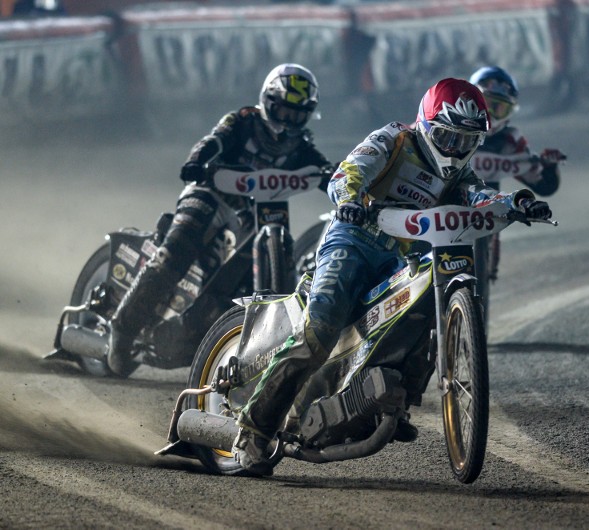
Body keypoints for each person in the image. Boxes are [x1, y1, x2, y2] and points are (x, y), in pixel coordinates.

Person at [232, 77, 552, 476]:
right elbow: (347, 173)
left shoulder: (459, 174)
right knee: (319, 332)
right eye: (446, 137)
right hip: (351, 241)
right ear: (425, 123)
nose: (454, 150)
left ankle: (392, 401)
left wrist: (518, 203)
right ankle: (253, 429)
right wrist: (349, 200)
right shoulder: (393, 139)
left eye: (465, 142)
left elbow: (479, 196)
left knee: (421, 320)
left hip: (398, 256)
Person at [107, 63, 332, 376]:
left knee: (272, 263)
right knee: (177, 249)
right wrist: (197, 160)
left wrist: (343, 185)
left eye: (298, 114)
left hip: (256, 212)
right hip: (210, 194)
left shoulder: (302, 147)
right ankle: (124, 327)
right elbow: (213, 140)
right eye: (284, 111)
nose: (289, 121)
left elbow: (328, 174)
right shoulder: (242, 121)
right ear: (268, 102)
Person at [469, 65, 565, 280]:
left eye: (499, 108)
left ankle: (487, 267)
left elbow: (543, 185)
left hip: (487, 212)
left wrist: (549, 166)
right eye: (486, 104)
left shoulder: (511, 141)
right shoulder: (449, 125)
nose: (491, 115)